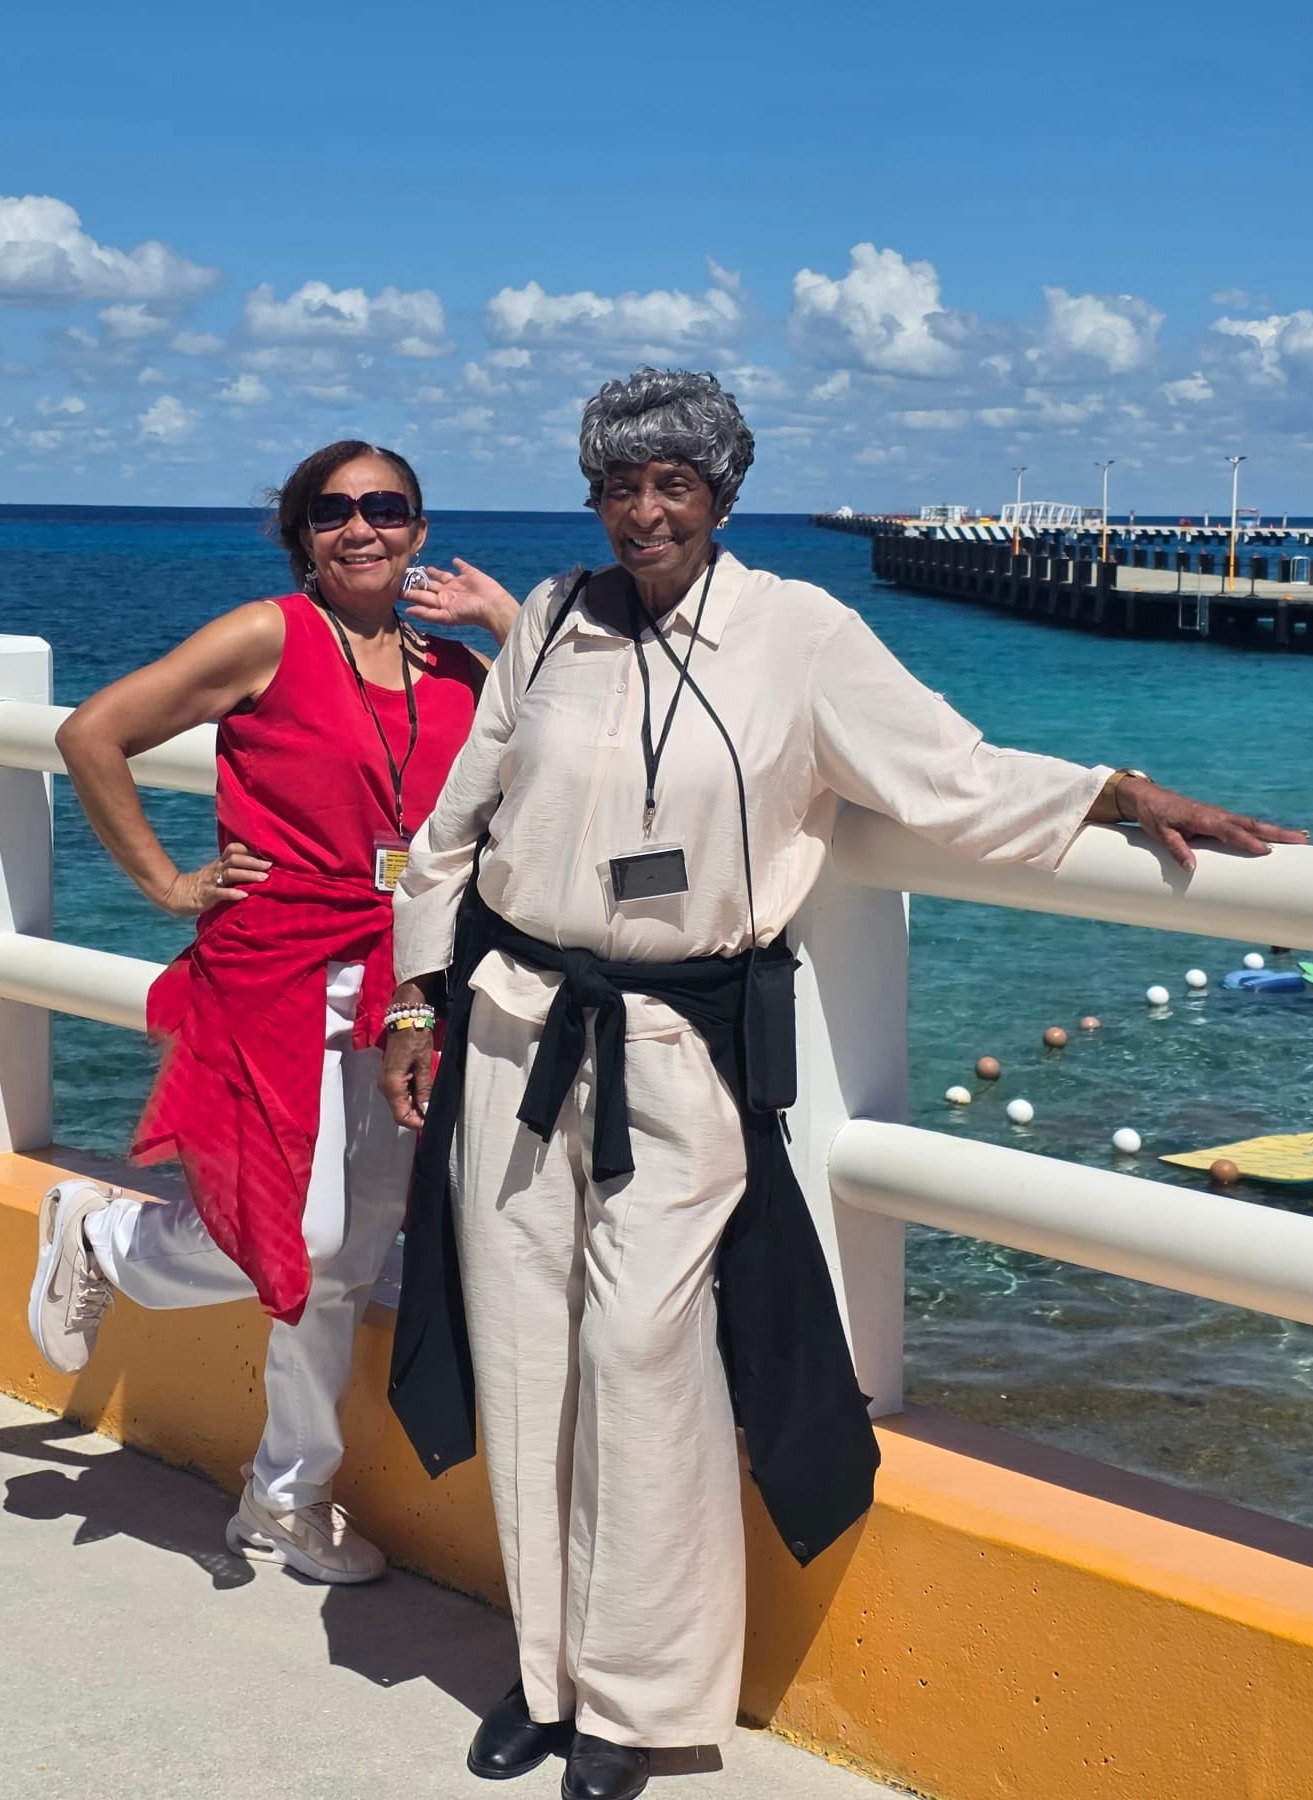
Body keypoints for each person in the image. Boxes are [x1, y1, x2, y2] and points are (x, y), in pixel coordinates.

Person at [381, 370, 1305, 1800]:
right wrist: (414, 996)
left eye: (673, 484)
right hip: (514, 1031)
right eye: (618, 486)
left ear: (722, 494)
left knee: (640, 1359)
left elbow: (946, 772)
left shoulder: (797, 634)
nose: (643, 512)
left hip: (677, 1048)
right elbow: (453, 831)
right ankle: (546, 1675)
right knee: (522, 1357)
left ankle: (637, 1700)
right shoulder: (552, 621)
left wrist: (1116, 792)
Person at [28, 439, 518, 1584]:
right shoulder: (269, 636)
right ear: (303, 535)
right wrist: (166, 883)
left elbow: (566, 750)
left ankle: (286, 1499)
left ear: (418, 527)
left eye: (385, 507)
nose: (361, 528)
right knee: (299, 1236)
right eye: (333, 511)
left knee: (352, 1250)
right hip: (277, 971)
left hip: (405, 983)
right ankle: (103, 1237)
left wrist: (504, 622)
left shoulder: (460, 670)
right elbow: (91, 733)